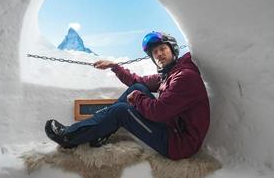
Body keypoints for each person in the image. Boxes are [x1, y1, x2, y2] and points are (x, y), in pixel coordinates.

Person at [45, 31, 210, 160]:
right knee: (137, 86)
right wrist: (114, 66)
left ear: (173, 50)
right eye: (155, 52)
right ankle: (102, 131)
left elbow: (158, 112)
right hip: (172, 125)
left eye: (162, 49)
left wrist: (137, 97)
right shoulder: (170, 75)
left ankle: (69, 137)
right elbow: (138, 81)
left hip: (178, 143)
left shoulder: (184, 77)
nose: (159, 54)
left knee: (121, 111)